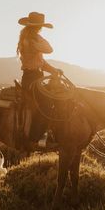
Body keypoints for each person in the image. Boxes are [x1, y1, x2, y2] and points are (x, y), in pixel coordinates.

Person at [16, 12, 63, 146]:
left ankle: (48, 133)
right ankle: (35, 138)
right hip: (32, 78)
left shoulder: (30, 39)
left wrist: (53, 70)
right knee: (46, 104)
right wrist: (38, 37)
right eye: (39, 27)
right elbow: (49, 49)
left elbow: (41, 62)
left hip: (35, 76)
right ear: (35, 27)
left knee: (52, 97)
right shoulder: (31, 41)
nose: (40, 29)